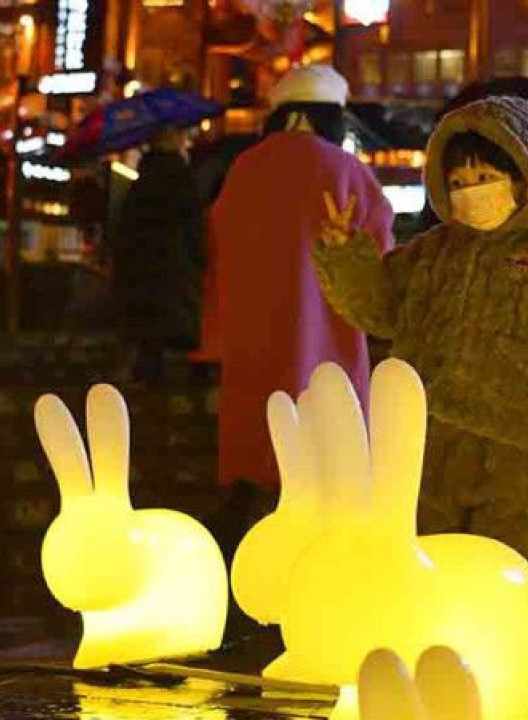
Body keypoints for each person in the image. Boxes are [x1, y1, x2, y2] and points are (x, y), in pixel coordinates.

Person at [313, 96, 528, 566]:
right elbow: (381, 308)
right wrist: (345, 256)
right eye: (459, 183)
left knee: (518, 566)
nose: (471, 192)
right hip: (429, 444)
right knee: (429, 565)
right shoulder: (433, 252)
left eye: (485, 179)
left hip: (523, 448)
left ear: (526, 178)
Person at [210, 64, 394, 495]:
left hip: (252, 330)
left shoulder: (244, 168)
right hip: (329, 333)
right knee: (329, 445)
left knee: (258, 436)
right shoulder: (346, 171)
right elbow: (380, 260)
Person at [112, 125, 204, 384]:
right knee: (172, 319)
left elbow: (126, 229)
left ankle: (147, 369)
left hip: (144, 268)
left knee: (149, 328)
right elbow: (192, 226)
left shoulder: (141, 181)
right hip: (175, 265)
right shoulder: (183, 178)